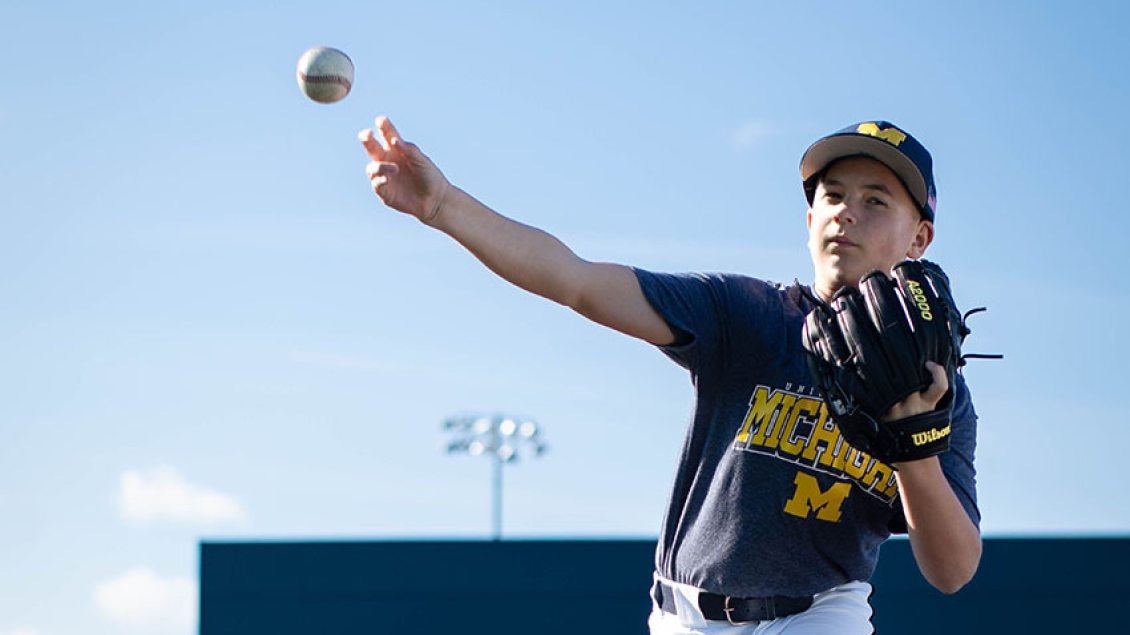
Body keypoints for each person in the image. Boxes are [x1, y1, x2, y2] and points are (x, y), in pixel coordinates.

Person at [358, 118, 981, 634]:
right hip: (687, 614)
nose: (847, 212)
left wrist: (913, 452)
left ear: (920, 236)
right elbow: (577, 281)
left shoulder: (935, 386)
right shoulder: (750, 316)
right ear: (810, 216)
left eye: (876, 200)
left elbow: (953, 571)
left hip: (819, 615)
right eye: (833, 194)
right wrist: (444, 206)